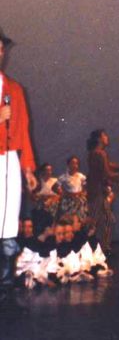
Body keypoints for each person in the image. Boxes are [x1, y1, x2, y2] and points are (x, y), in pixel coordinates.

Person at [0, 28, 38, 304]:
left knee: (9, 219)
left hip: (10, 158)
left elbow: (23, 131)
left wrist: (28, 169)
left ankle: (5, 279)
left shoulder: (15, 89)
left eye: (1, 49)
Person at [86, 129, 119, 253]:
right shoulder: (99, 153)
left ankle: (102, 248)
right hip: (96, 193)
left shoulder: (97, 153)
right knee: (96, 222)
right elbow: (106, 173)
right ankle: (95, 249)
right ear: (99, 139)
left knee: (106, 220)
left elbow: (108, 165)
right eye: (105, 135)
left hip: (98, 192)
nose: (107, 137)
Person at [58, 156, 88, 220]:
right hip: (68, 201)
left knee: (81, 219)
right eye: (73, 163)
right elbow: (55, 187)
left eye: (76, 163)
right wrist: (64, 193)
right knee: (70, 219)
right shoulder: (63, 177)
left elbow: (86, 187)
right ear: (68, 165)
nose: (75, 165)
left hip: (80, 200)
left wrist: (82, 193)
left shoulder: (81, 176)